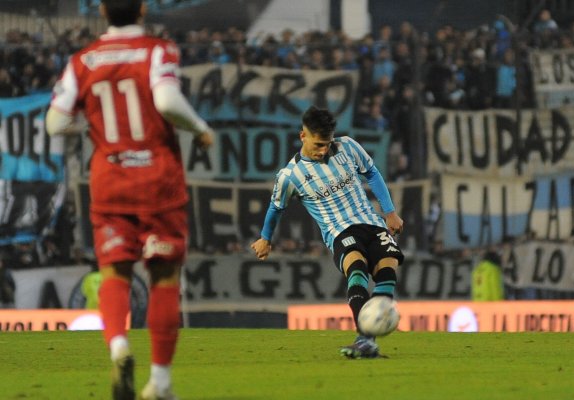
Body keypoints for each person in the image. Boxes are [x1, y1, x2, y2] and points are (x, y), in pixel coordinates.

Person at [45, 1, 214, 399]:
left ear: (102, 11)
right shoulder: (158, 49)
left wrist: (92, 122)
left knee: (115, 273)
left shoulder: (83, 60)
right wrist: (201, 128)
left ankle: (119, 347)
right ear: (141, 9)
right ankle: (160, 382)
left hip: (110, 179)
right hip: (158, 178)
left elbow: (54, 122)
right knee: (164, 278)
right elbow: (168, 102)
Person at [251, 105, 404, 358]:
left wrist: (389, 212)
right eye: (319, 144)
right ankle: (366, 338)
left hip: (372, 223)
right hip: (340, 231)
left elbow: (372, 173)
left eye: (327, 144)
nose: (324, 151)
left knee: (387, 270)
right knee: (357, 268)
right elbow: (275, 208)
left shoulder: (348, 147)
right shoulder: (290, 176)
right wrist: (265, 239)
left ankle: (367, 340)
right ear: (303, 136)